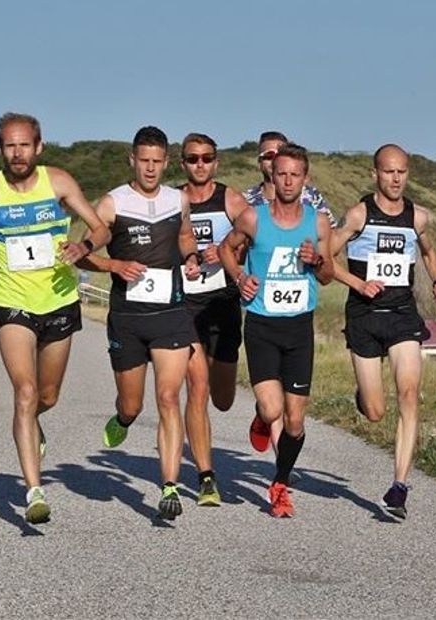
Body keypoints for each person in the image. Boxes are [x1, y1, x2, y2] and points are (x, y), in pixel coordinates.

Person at [0, 112, 110, 524]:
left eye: (24, 145)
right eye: (9, 146)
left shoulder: (59, 183)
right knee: (25, 392)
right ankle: (34, 491)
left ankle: (32, 424)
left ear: (38, 147)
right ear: (0, 150)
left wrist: (83, 249)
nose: (17, 153)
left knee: (47, 396)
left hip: (60, 300)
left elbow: (99, 228)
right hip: (13, 301)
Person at [78, 126, 201, 520]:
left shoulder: (176, 199)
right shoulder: (112, 202)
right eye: (143, 161)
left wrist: (192, 257)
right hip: (128, 318)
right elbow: (82, 254)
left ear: (166, 162)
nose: (150, 169)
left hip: (170, 314)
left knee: (168, 397)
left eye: (157, 162)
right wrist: (114, 264)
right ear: (132, 160)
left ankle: (169, 486)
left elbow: (184, 236)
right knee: (133, 404)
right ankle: (123, 418)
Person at [329, 143, 436, 519]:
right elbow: (325, 256)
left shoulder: (418, 218)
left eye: (401, 172)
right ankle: (364, 397)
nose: (395, 179)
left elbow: (429, 252)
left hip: (401, 315)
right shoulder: (359, 214)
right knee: (377, 411)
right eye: (388, 172)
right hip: (365, 316)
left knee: (410, 393)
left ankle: (399, 488)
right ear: (375, 174)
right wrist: (357, 283)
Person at [219, 144, 333, 518]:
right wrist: (240, 277)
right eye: (281, 173)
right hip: (263, 325)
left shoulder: (317, 223)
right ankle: (263, 416)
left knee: (296, 422)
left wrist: (315, 260)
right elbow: (226, 249)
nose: (287, 180)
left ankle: (280, 481)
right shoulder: (254, 218)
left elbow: (329, 274)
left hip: (299, 328)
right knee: (273, 409)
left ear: (305, 179)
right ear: (272, 174)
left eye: (294, 175)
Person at [177, 132, 251, 507]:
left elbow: (253, 237)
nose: (200, 165)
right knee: (197, 387)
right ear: (183, 163)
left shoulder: (231, 199)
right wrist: (184, 256)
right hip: (186, 306)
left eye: (206, 158)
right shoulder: (173, 200)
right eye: (193, 159)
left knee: (222, 399)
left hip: (223, 302)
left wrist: (224, 251)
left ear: (216, 162)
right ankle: (206, 476)